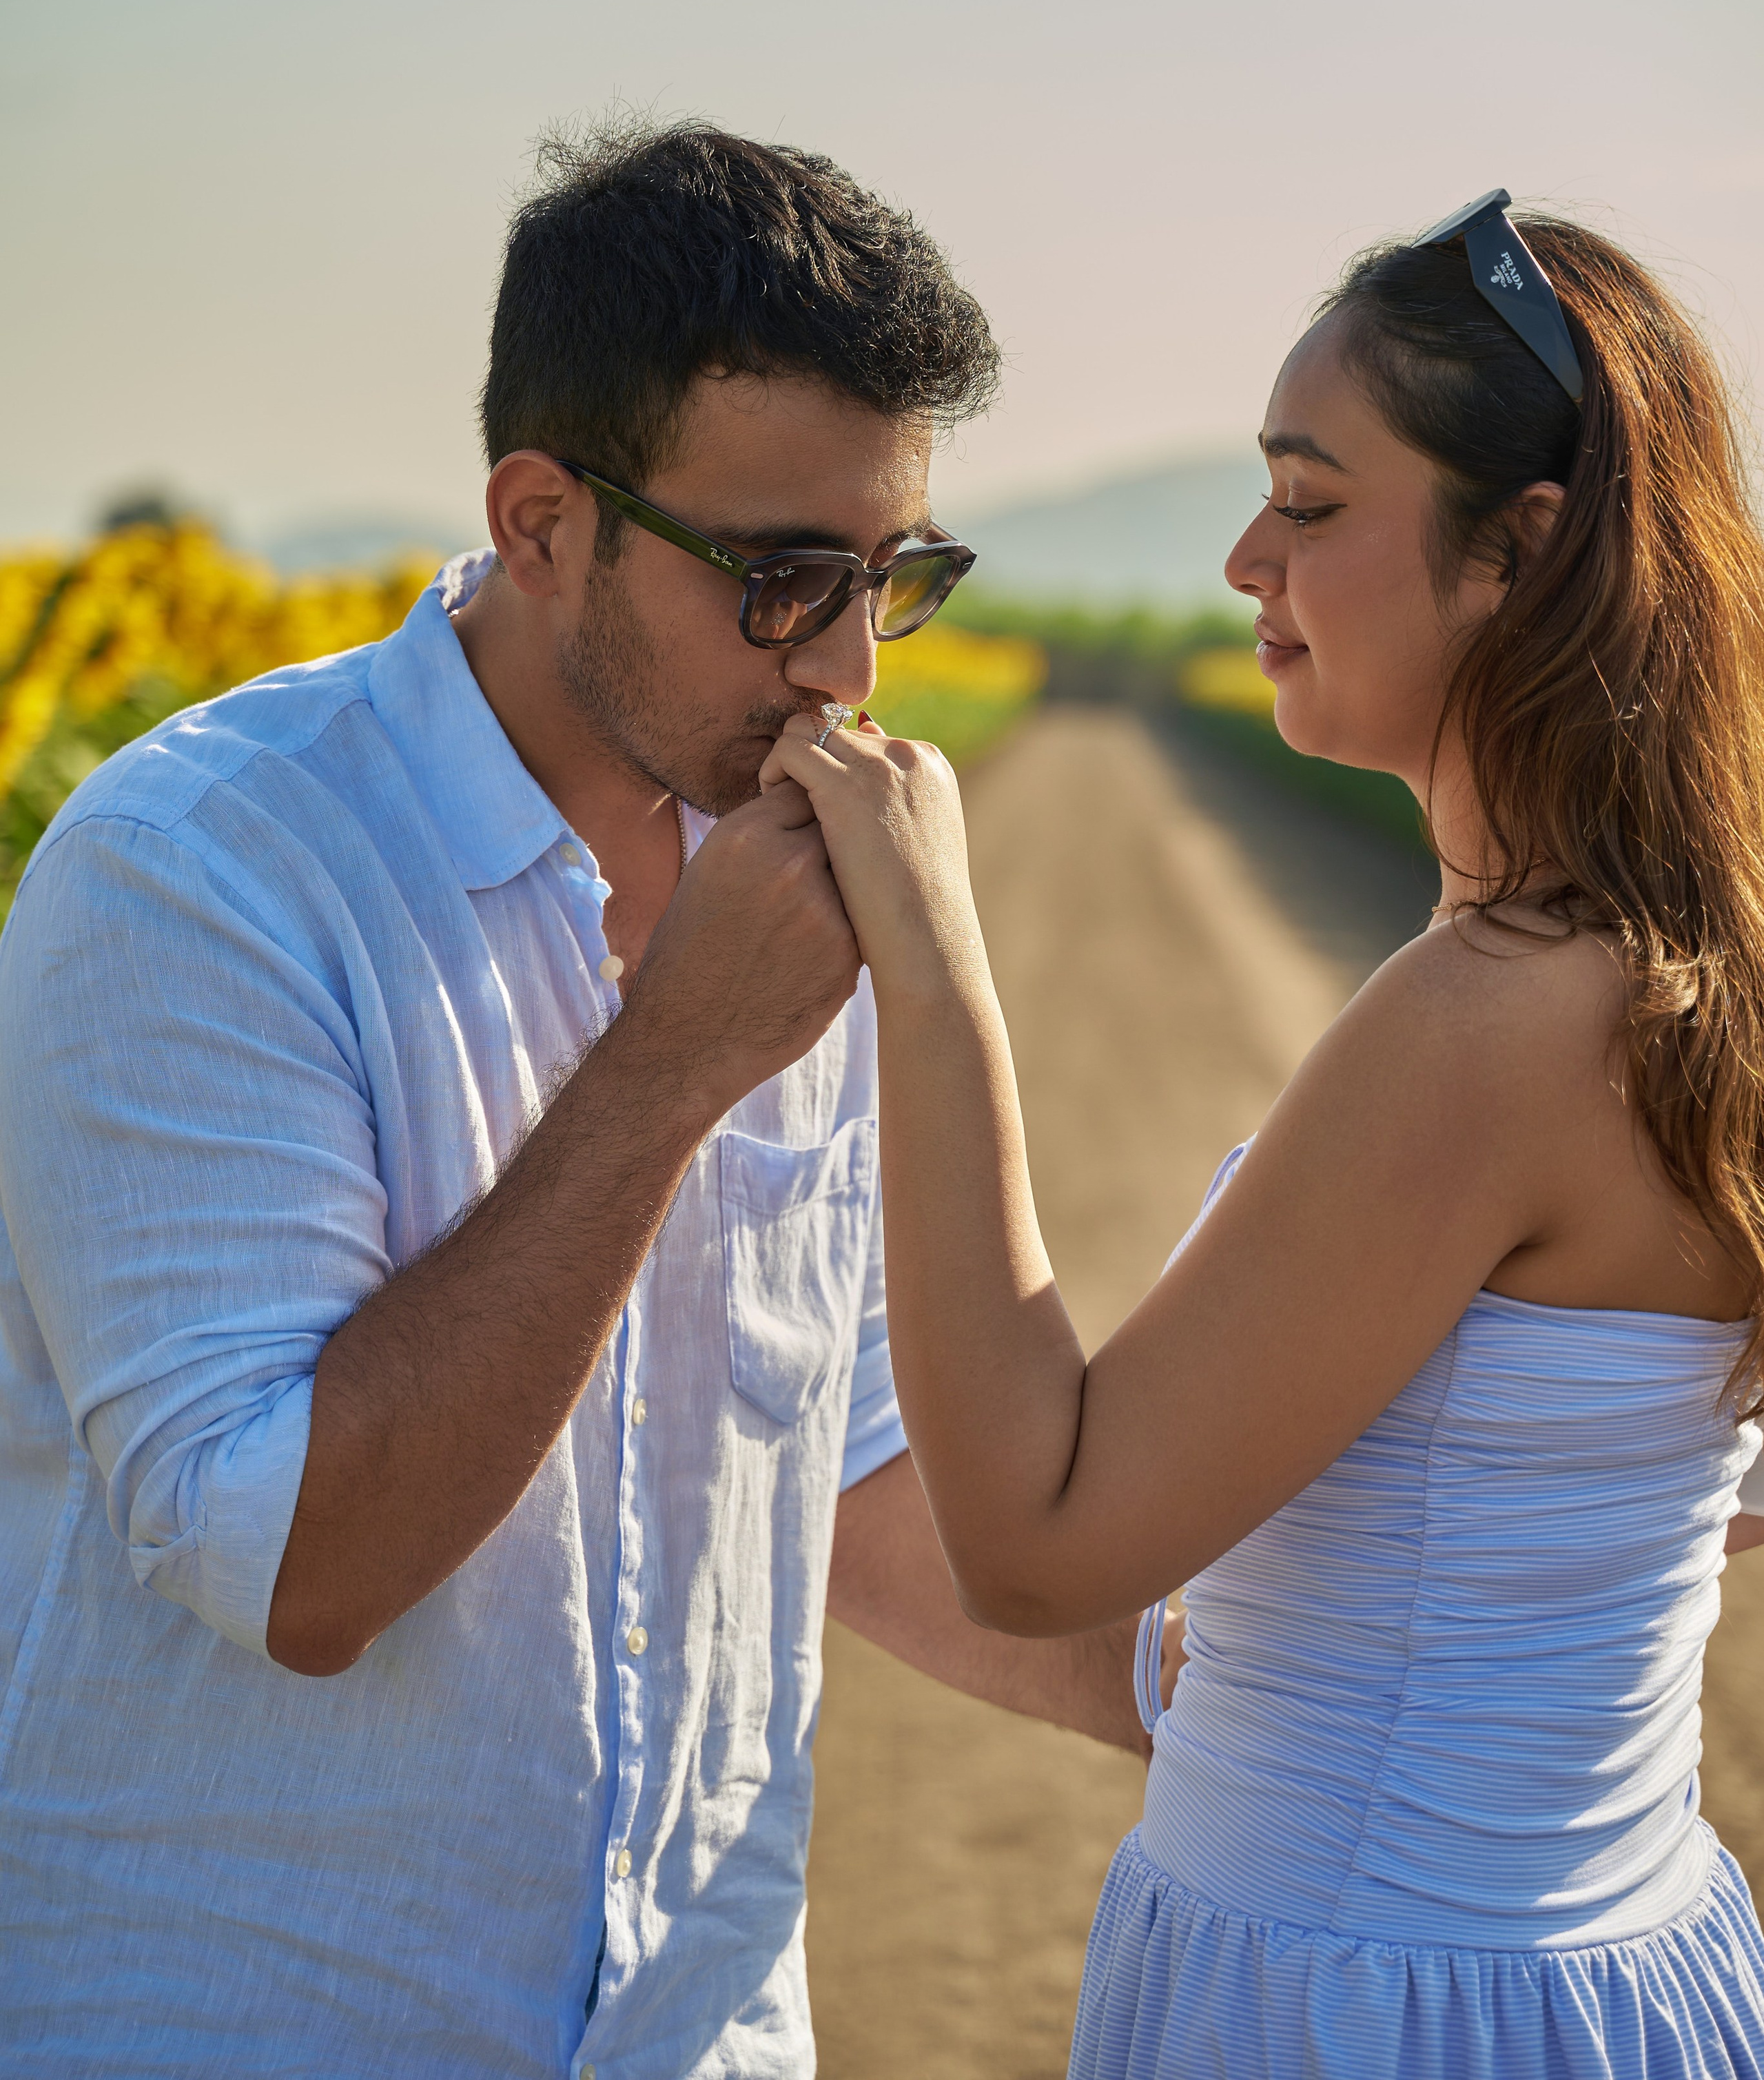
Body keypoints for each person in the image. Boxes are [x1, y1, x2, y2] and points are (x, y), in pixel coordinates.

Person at [0, 121, 1158, 2078]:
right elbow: (291, 1565)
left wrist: (1254, 1701)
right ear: (542, 522)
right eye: (783, 580)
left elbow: (860, 1470)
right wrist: (674, 1062)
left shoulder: (791, 863)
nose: (850, 670)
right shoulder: (195, 873)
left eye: (893, 579)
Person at [764, 194, 1764, 2077]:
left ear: (1519, 551)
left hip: (1378, 2004)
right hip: (1614, 1958)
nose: (1245, 559)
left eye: (1309, 503)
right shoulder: (1686, 975)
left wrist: (935, 957)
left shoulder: (1489, 1018)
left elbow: (1038, 1546)